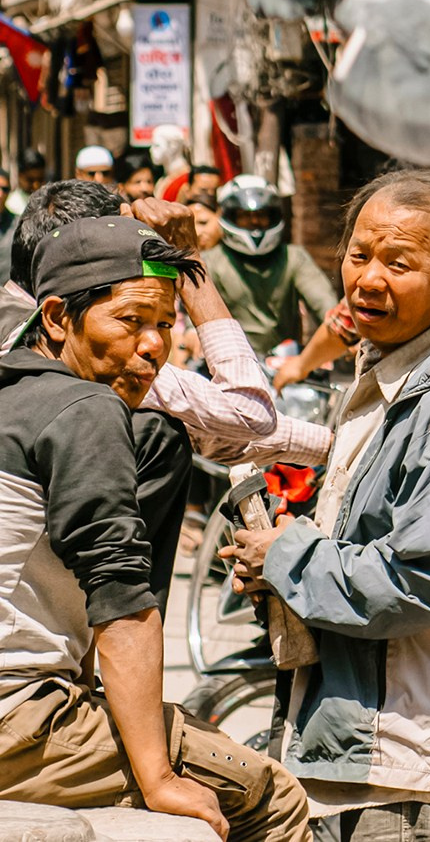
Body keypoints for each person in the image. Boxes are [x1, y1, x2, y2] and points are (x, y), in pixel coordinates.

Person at [226, 170, 430, 842]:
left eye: (400, 262)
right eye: (360, 253)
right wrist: (278, 567)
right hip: (366, 749)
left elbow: (426, 576)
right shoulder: (391, 373)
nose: (368, 277)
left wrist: (287, 553)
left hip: (414, 762)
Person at [0, 214, 311, 842]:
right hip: (20, 722)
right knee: (271, 797)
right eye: (131, 321)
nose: (152, 345)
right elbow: (120, 606)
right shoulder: (85, 410)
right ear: (57, 318)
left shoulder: (18, 389)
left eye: (166, 325)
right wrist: (159, 776)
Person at [0, 181, 332, 593]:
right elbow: (249, 415)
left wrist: (340, 448)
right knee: (162, 438)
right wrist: (189, 259)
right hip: (44, 606)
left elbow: (219, 434)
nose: (153, 343)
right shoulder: (80, 344)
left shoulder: (17, 314)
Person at [206, 175, 340, 357]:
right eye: (245, 216)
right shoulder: (211, 262)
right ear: (230, 217)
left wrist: (341, 330)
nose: (254, 222)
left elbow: (323, 303)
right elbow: (198, 316)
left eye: (261, 215)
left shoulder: (293, 257)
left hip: (282, 363)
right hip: (225, 361)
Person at [6, 149, 45, 216]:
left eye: (40, 179)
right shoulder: (11, 205)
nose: (36, 185)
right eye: (30, 180)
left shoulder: (47, 200)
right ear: (19, 176)